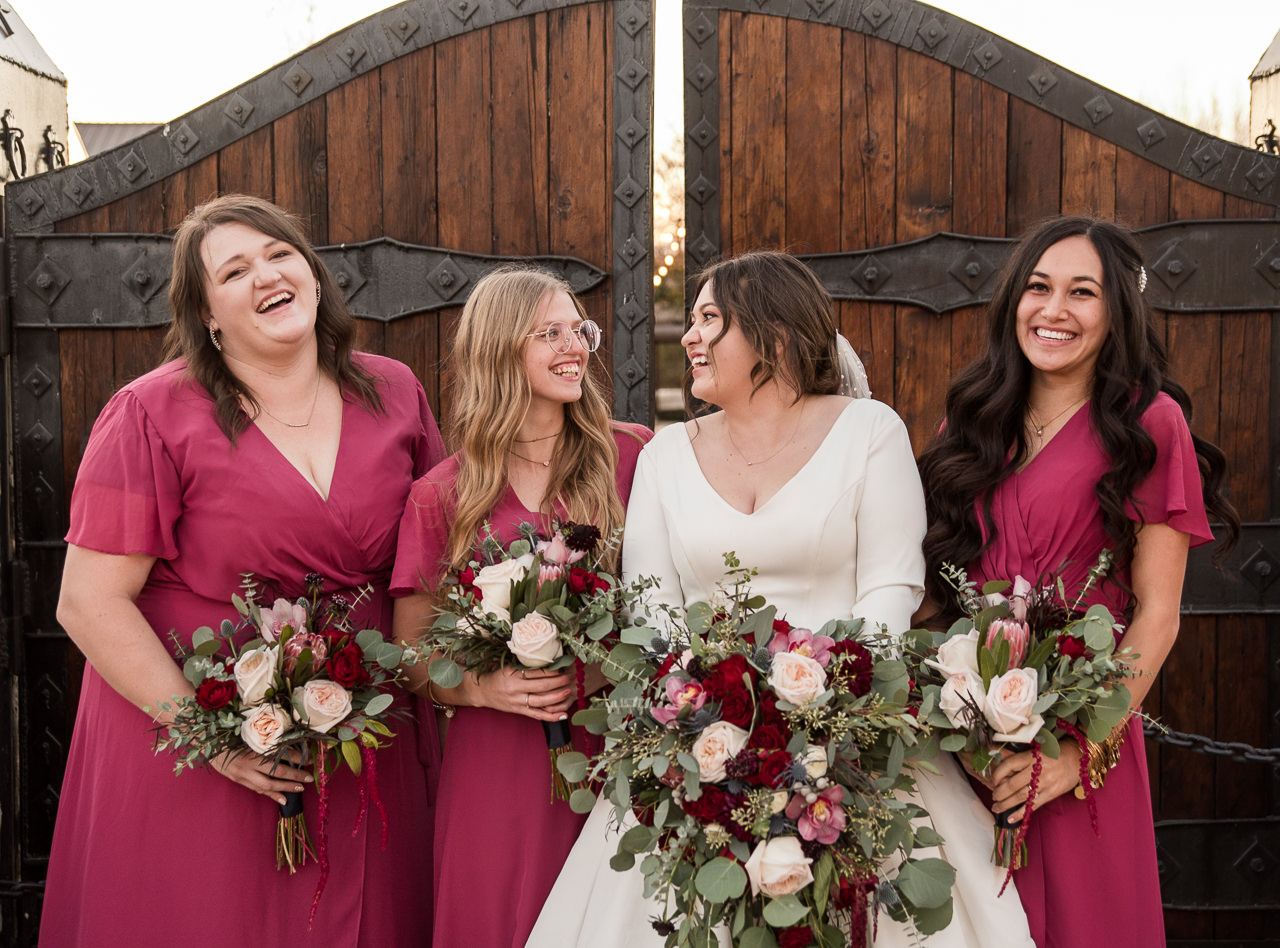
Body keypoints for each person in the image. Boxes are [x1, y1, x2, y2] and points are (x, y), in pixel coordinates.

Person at [528, 251, 1034, 947]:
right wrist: (701, 725)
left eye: (710, 318)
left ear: (774, 336)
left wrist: (829, 715)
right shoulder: (664, 457)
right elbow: (651, 606)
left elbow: (891, 584)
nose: (690, 337)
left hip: (854, 743)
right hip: (699, 748)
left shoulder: (868, 432)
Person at [39, 194, 446, 947]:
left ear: (313, 276)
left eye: (278, 255)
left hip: (363, 743)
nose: (265, 275)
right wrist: (216, 741)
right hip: (201, 748)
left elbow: (432, 560)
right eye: (233, 271)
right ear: (208, 317)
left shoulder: (394, 392)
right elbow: (89, 601)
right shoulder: (151, 414)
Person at [916, 217, 1238, 948]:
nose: (1054, 310)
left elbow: (1158, 613)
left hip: (1079, 742)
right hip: (970, 748)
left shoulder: (1149, 423)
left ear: (1116, 309)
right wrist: (961, 735)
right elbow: (935, 591)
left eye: (1081, 292)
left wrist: (1073, 754)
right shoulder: (968, 420)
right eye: (1038, 287)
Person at [389, 266, 652, 948]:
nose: (576, 346)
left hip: (616, 738)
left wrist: (605, 669)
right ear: (501, 349)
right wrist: (487, 687)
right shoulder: (442, 494)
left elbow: (677, 596)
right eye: (550, 332)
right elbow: (411, 654)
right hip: (495, 759)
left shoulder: (634, 456)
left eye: (580, 329)